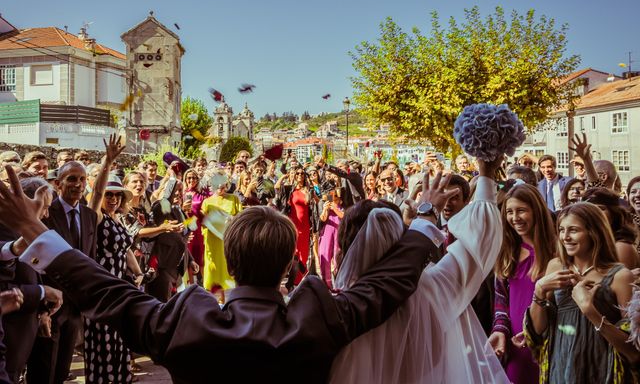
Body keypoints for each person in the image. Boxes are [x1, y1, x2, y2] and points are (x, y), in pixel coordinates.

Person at [0, 164, 444, 383]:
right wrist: (425, 218)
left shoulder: (186, 322)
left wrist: (30, 228)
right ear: (291, 264)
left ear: (229, 264)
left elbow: (102, 288)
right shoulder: (320, 318)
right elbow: (388, 283)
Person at [330, 162, 508, 383]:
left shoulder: (338, 308)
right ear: (401, 242)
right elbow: (479, 240)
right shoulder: (430, 290)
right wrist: (486, 172)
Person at [525, 202, 639, 382]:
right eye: (561, 230)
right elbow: (537, 332)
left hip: (602, 371)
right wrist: (539, 290)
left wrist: (589, 310)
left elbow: (633, 352)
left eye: (573, 230)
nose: (565, 237)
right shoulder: (555, 266)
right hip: (560, 369)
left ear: (595, 232)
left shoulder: (620, 276)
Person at [28, 158, 98, 384]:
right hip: (50, 306)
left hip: (75, 308)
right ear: (58, 183)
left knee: (61, 371)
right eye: (71, 179)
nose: (78, 184)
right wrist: (42, 309)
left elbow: (90, 260)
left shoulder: (89, 216)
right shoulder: (46, 213)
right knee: (43, 369)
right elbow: (34, 260)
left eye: (82, 179)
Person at [489, 183, 557, 384]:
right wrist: (500, 330)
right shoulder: (506, 254)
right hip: (516, 347)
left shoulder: (557, 252)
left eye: (521, 211)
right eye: (509, 212)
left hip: (549, 343)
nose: (514, 218)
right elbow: (501, 303)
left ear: (536, 211)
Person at [0, 177, 63, 383]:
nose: (45, 214)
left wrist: (43, 310)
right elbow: (5, 289)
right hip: (9, 333)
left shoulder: (27, 231)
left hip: (29, 326)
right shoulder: (5, 231)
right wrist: (42, 292)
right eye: (43, 208)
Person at [84, 134, 135, 383]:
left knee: (119, 340)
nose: (113, 199)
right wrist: (107, 163)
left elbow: (125, 250)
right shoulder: (97, 218)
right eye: (109, 195)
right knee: (103, 343)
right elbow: (95, 194)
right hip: (102, 289)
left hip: (120, 287)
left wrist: (137, 274)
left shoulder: (118, 219)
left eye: (118, 196)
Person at [201, 173, 241, 299]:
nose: (220, 186)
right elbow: (202, 221)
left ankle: (229, 300)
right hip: (212, 241)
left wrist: (231, 219)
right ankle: (212, 301)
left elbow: (240, 218)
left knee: (228, 269)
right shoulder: (207, 202)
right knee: (212, 270)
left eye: (222, 183)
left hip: (228, 239)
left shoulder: (234, 199)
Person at [581, 187, 640, 269]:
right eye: (589, 209)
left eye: (601, 208)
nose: (594, 213)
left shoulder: (621, 247)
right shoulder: (588, 241)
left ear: (613, 214)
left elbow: (617, 280)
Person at [318, 189, 344, 288]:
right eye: (330, 193)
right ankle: (326, 285)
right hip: (327, 231)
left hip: (339, 232)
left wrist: (335, 208)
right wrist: (325, 209)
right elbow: (322, 219)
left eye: (333, 194)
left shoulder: (343, 202)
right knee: (324, 255)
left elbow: (344, 215)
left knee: (338, 259)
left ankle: (339, 284)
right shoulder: (324, 203)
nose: (331, 195)